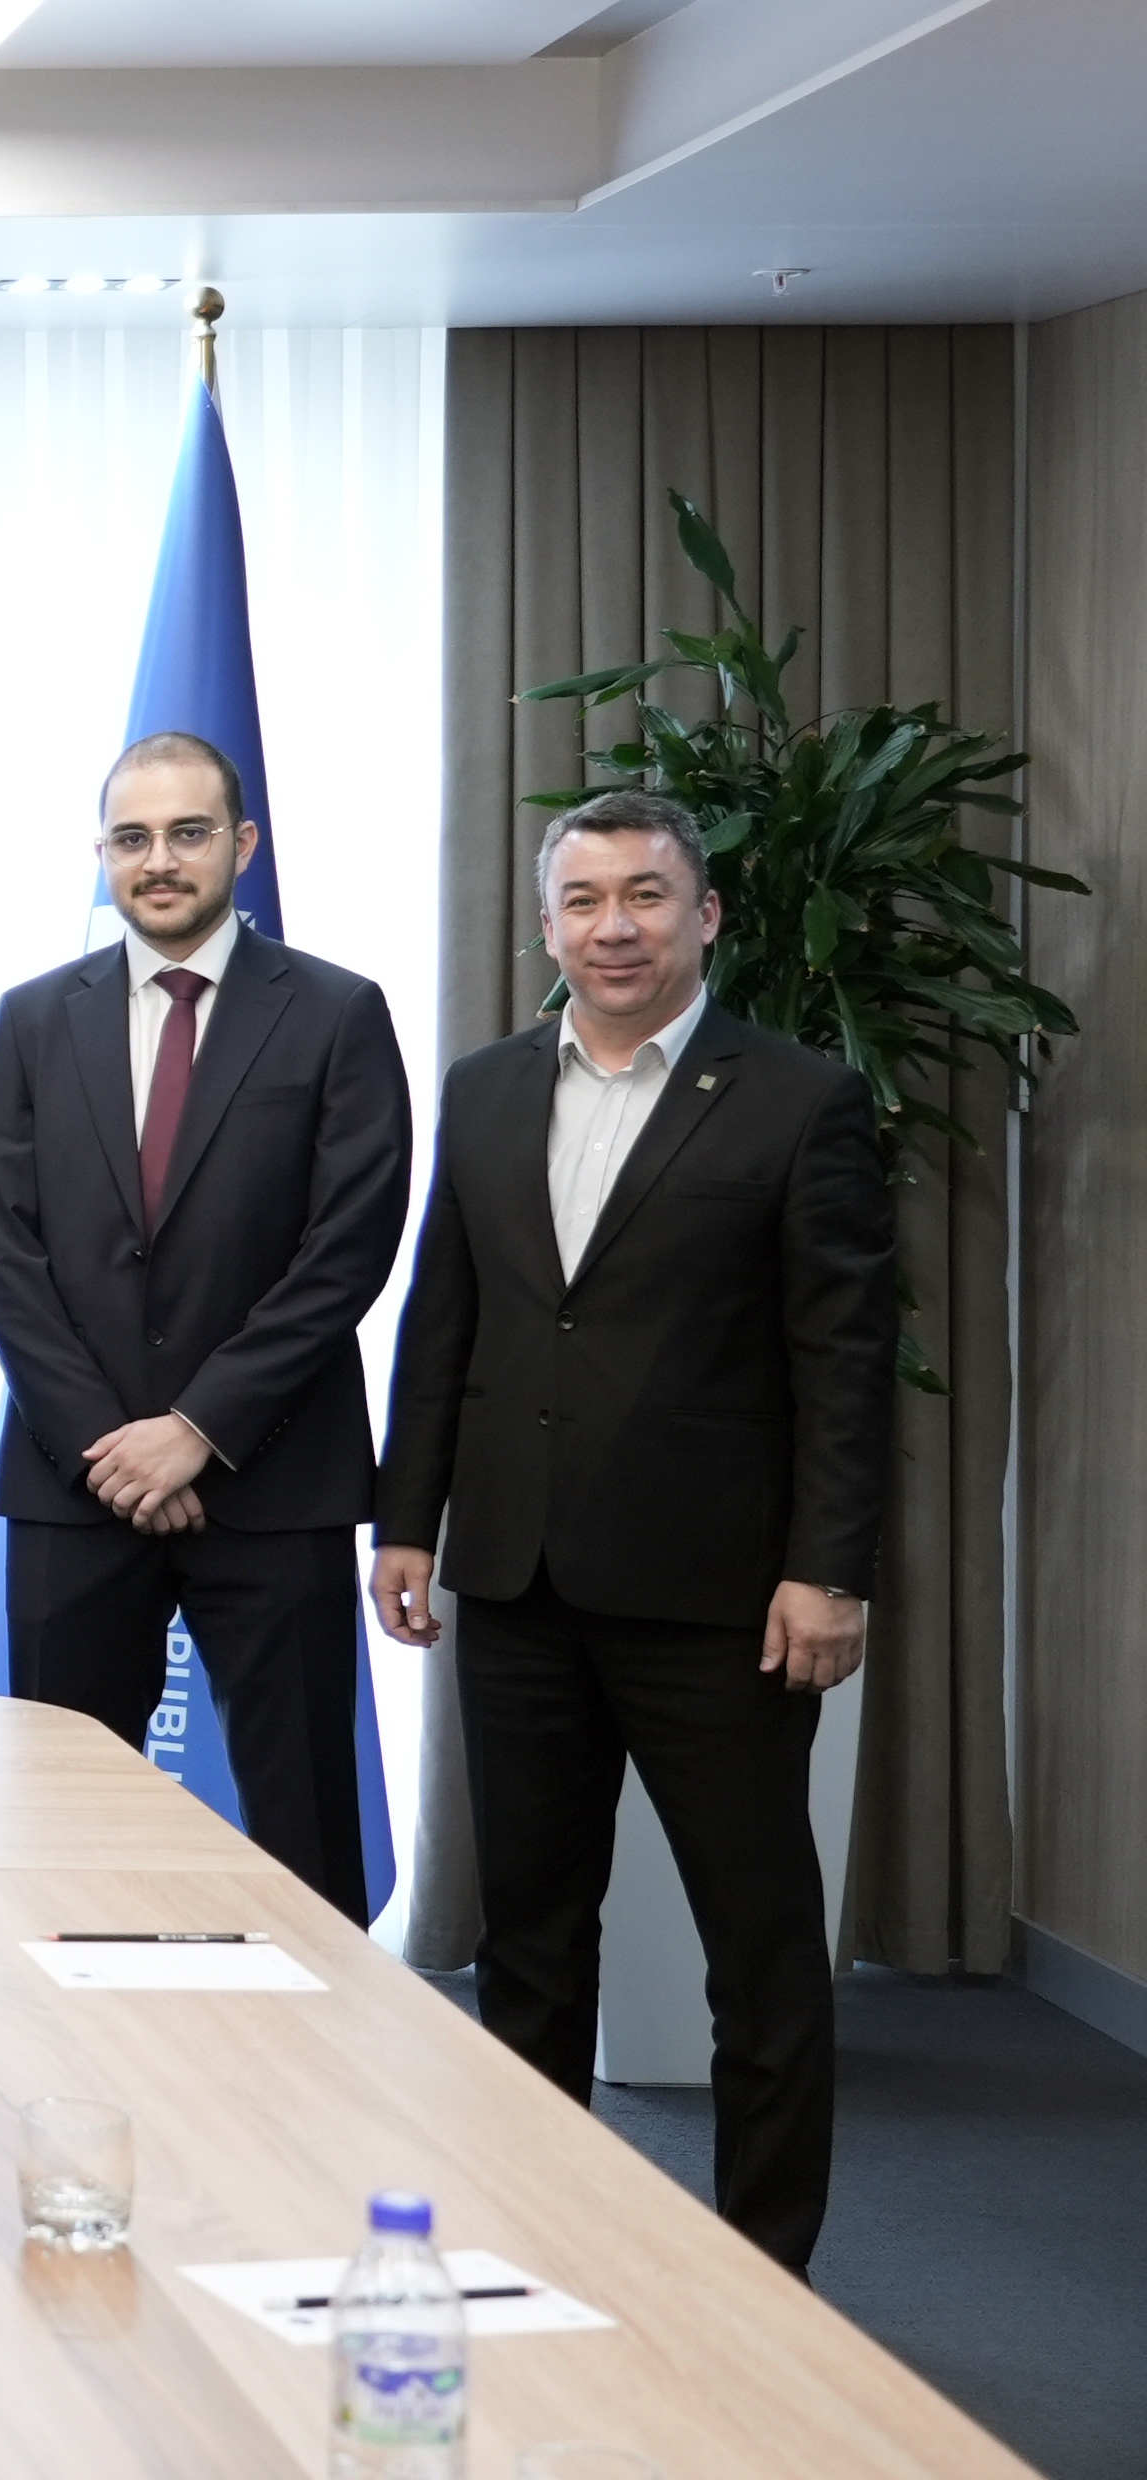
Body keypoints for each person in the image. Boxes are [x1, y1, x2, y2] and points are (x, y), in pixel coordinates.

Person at [373, 789, 890, 2273]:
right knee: (532, 1942)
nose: (615, 927)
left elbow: (842, 1358)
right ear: (547, 926)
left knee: (760, 1951)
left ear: (704, 916)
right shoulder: (483, 1087)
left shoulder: (797, 1098)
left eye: (646, 896)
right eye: (585, 900)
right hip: (517, 1582)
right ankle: (532, 2250)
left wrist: (828, 1568)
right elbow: (444, 1318)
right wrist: (407, 1521)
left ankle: (764, 2275)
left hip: (719, 1600)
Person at [0, 732, 409, 1919]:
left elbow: (347, 1249)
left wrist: (197, 1429)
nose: (158, 860)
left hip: (272, 1480)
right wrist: (111, 1446)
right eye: (132, 837)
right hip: (77, 1485)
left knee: (305, 1832)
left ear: (242, 844)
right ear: (101, 853)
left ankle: (322, 2038)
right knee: (61, 1837)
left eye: (187, 833)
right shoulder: (29, 1020)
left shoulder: (336, 1012)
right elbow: (0, 1251)